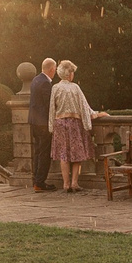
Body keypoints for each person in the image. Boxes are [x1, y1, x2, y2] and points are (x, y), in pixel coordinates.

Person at [49, 60, 98, 192]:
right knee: (77, 154)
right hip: (74, 123)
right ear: (69, 74)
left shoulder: (55, 88)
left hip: (59, 123)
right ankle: (74, 183)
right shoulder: (75, 88)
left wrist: (51, 126)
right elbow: (84, 106)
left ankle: (66, 184)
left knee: (63, 155)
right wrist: (93, 117)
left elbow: (52, 109)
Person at [27, 57, 56, 191]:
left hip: (34, 121)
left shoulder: (35, 80)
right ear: (51, 69)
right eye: (54, 69)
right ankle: (40, 182)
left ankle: (36, 180)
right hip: (43, 123)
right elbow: (49, 104)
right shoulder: (45, 83)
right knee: (44, 153)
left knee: (38, 152)